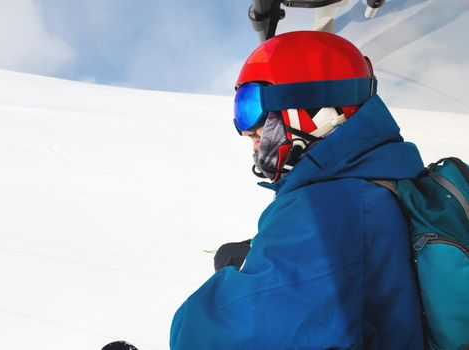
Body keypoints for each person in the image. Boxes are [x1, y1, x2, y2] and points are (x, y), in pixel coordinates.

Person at [170, 31, 424, 349]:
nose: (246, 128)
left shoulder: (330, 207)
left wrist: (236, 280)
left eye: (251, 105)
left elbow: (218, 338)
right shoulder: (379, 187)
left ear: (317, 111)